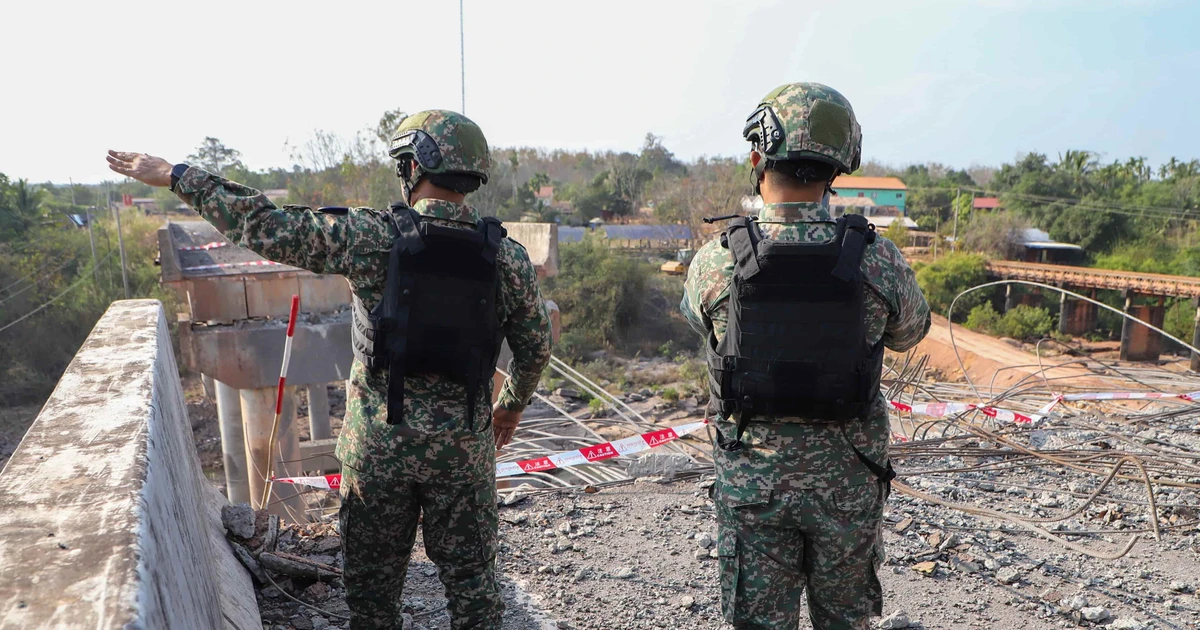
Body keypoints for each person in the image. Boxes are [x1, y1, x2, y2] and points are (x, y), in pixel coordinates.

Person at [107, 109, 553, 629]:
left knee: (372, 593)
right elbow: (535, 348)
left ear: (412, 167)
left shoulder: (372, 236)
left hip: (379, 449)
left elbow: (267, 227)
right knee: (475, 588)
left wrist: (178, 176)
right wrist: (508, 410)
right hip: (464, 450)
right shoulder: (508, 257)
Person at [680, 83, 930, 630]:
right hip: (847, 484)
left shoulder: (715, 261)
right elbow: (910, 332)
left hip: (754, 485)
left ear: (757, 158)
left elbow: (701, 325)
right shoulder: (877, 258)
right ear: (838, 167)